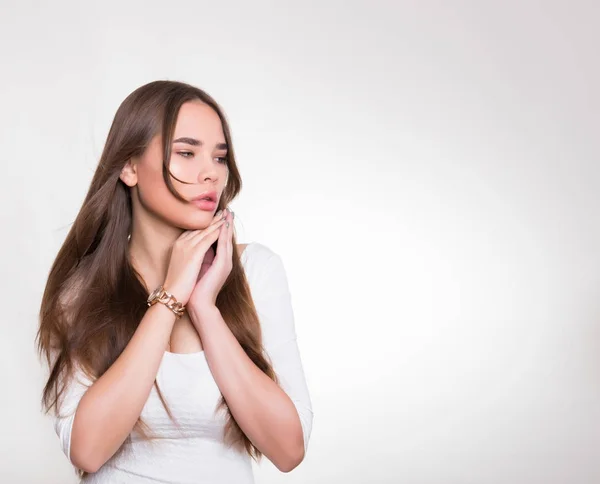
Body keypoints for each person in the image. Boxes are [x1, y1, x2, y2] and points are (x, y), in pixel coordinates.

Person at [36, 80, 313, 483]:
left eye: (220, 158)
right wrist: (170, 298)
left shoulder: (255, 271)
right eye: (186, 153)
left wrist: (204, 309)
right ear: (129, 167)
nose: (211, 175)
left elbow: (288, 449)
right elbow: (88, 450)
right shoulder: (83, 292)